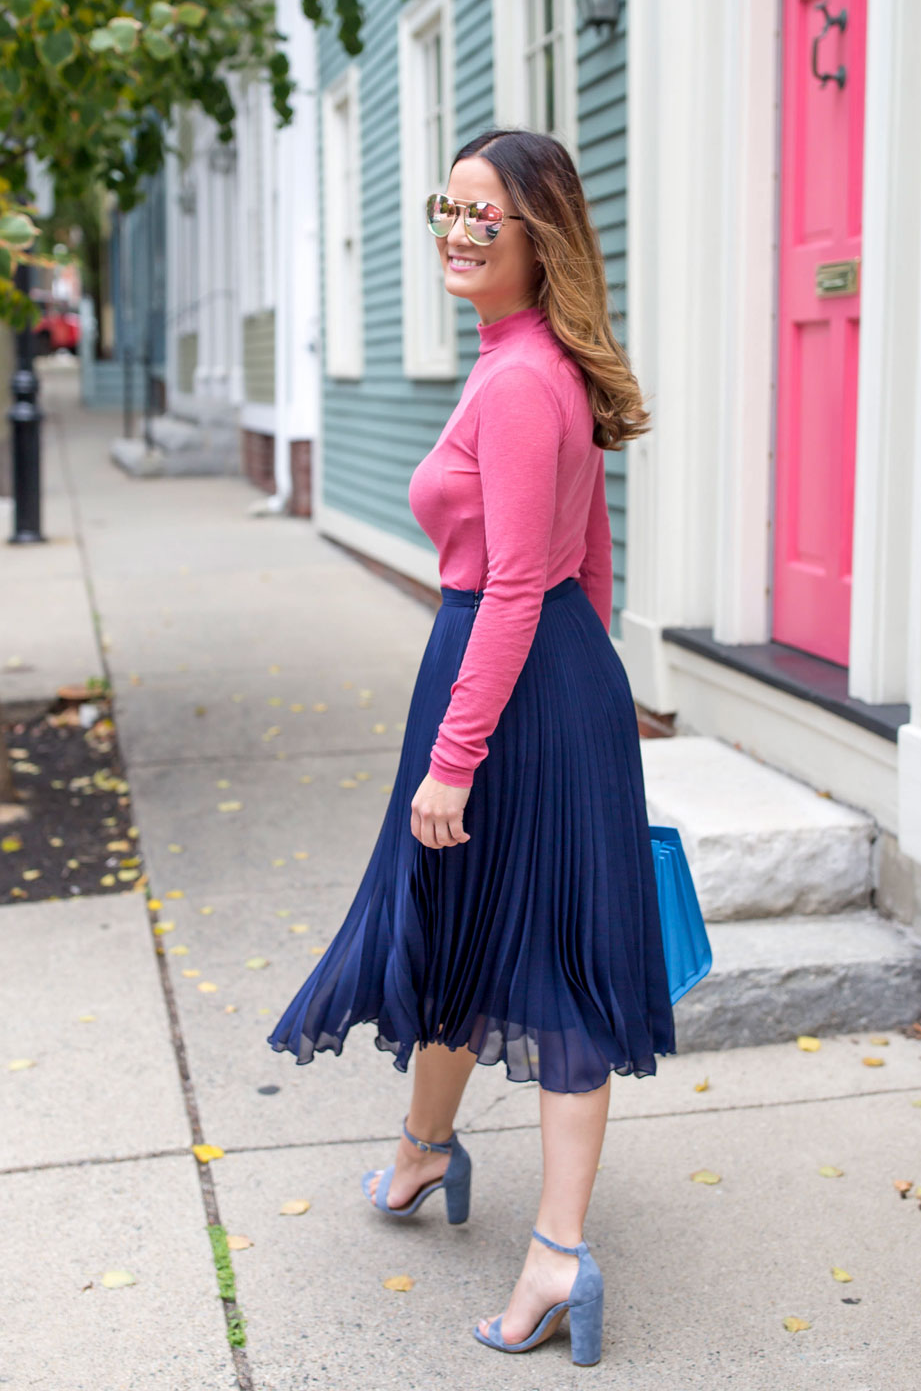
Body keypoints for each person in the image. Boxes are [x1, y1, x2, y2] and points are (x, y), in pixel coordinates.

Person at [266, 127, 676, 1365]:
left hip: (498, 682)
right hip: (551, 682)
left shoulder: (514, 381)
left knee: (533, 951)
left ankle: (555, 1249)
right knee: (463, 922)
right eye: (449, 205)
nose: (455, 227)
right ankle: (422, 1149)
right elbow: (584, 560)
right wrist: (577, 696)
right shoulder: (540, 363)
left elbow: (508, 586)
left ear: (536, 234)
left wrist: (460, 756)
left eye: (483, 213)